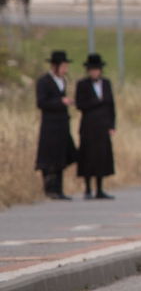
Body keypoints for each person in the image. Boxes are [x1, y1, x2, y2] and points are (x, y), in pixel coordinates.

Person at [35, 49, 78, 200]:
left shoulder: (63, 81)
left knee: (61, 157)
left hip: (62, 124)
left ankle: (59, 189)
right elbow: (41, 102)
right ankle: (49, 188)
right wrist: (60, 102)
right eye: (64, 66)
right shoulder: (44, 81)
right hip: (49, 125)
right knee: (48, 157)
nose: (66, 69)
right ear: (55, 66)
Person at [74, 52, 117, 200]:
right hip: (88, 126)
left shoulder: (106, 84)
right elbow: (80, 104)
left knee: (102, 157)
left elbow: (111, 105)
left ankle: (100, 188)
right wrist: (97, 102)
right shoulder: (82, 85)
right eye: (92, 69)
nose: (94, 72)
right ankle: (87, 188)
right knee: (87, 157)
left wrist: (112, 125)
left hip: (103, 126)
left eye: (97, 69)